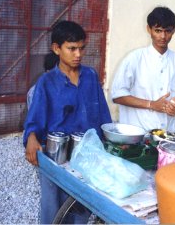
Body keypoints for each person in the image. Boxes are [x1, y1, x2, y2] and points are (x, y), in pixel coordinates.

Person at [23, 20, 112, 224]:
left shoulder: (90, 76)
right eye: (71, 49)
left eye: (81, 48)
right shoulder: (47, 82)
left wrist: (110, 139)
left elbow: (103, 116)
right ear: (56, 48)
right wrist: (31, 138)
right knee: (53, 206)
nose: (78, 54)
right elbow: (34, 119)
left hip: (87, 155)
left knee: (81, 205)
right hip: (56, 156)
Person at [111, 6, 175, 133]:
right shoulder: (134, 58)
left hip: (168, 135)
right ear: (149, 29)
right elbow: (117, 95)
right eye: (158, 30)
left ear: (174, 31)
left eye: (168, 31)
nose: (163, 36)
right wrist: (151, 104)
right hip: (136, 135)